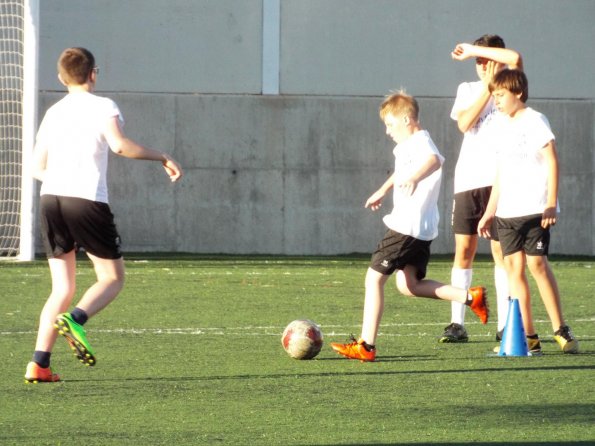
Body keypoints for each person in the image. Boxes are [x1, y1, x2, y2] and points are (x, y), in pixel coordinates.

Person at [24, 47, 183, 383]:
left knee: (61, 289)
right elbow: (120, 145)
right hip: (86, 202)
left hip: (50, 199)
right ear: (94, 73)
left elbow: (37, 166)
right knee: (112, 278)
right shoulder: (102, 106)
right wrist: (161, 156)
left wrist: (60, 180)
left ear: (60, 78)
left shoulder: (54, 112)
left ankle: (39, 363)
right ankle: (76, 319)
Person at [330, 92, 488, 362]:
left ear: (406, 119)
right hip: (420, 228)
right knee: (409, 285)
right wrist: (383, 189)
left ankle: (366, 346)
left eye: (390, 124)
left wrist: (415, 178)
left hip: (407, 226)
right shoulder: (407, 146)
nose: (387, 131)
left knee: (373, 278)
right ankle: (470, 297)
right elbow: (403, 170)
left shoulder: (420, 140)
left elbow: (435, 159)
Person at [478, 69, 578, 354]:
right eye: (493, 95)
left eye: (500, 95)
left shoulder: (535, 120)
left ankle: (560, 328)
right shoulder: (498, 125)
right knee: (514, 271)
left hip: (535, 209)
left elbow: (552, 161)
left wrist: (550, 202)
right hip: (507, 213)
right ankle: (529, 336)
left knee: (537, 265)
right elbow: (501, 173)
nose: (495, 100)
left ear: (517, 93)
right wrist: (489, 212)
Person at [439, 35, 523, 343]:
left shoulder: (512, 88)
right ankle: (457, 323)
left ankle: (506, 323)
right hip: (468, 181)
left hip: (500, 180)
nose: (482, 67)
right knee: (464, 250)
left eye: (487, 60)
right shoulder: (469, 90)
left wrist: (477, 53)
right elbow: (464, 123)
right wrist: (487, 87)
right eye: (477, 62)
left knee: (501, 252)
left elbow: (515, 57)